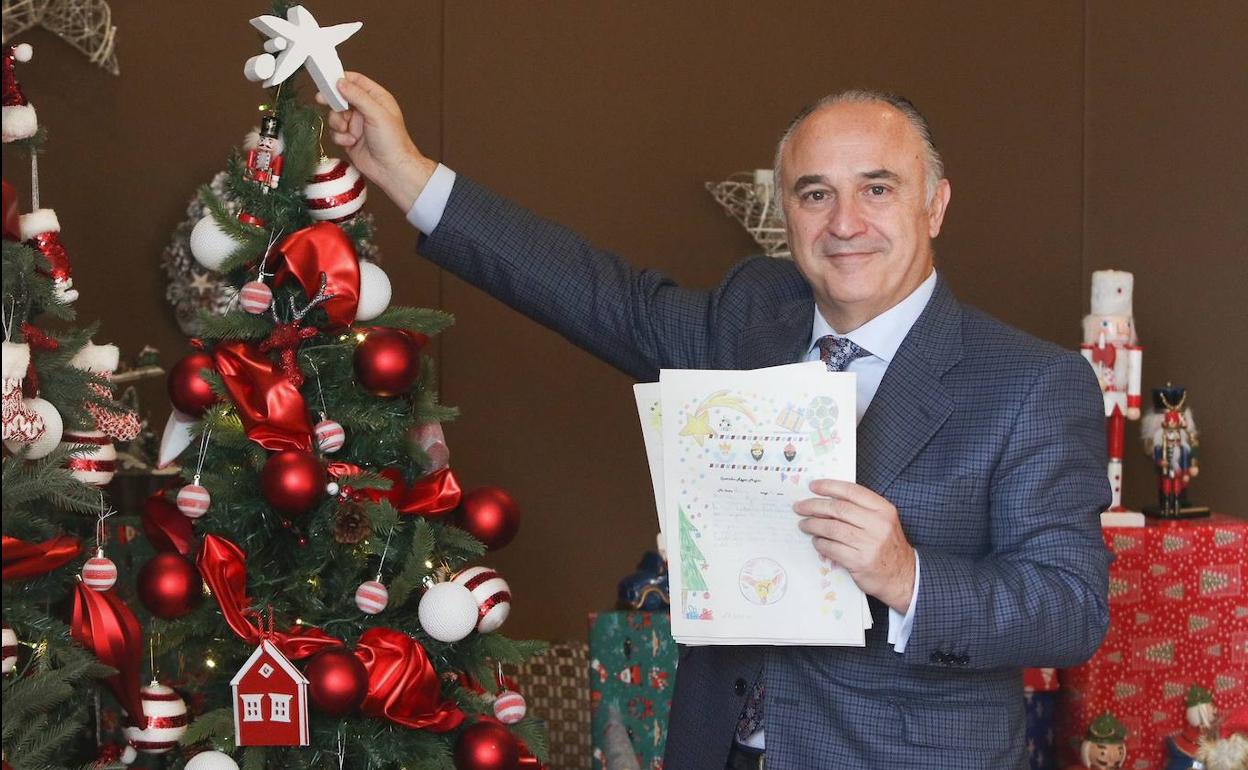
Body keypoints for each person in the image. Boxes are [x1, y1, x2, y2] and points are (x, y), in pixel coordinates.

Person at [320, 73, 1111, 769]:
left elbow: (1071, 609)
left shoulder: (1032, 384)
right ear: (788, 210)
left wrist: (908, 578)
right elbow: (595, 292)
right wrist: (406, 171)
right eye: (815, 193)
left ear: (934, 204)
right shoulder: (750, 316)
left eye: (878, 188)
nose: (845, 222)